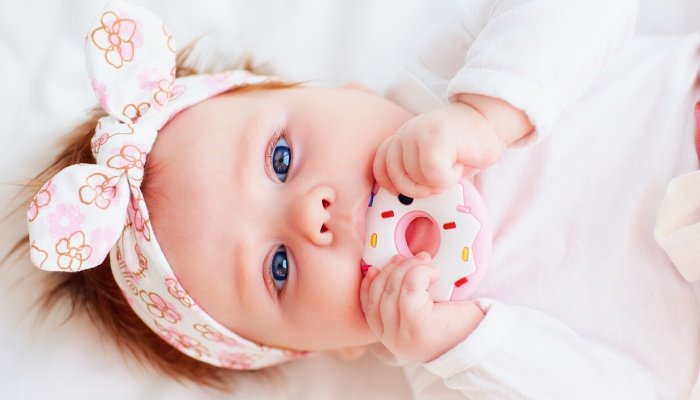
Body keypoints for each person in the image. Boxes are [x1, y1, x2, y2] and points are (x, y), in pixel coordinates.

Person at [12, 0, 700, 398]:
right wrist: (469, 341)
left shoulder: (444, 82)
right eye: (277, 269)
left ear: (332, 92)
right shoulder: (453, 367)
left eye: (280, 159)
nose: (311, 215)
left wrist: (488, 112)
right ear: (327, 349)